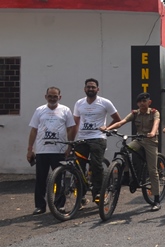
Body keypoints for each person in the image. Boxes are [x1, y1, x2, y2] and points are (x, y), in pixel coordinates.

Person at [101, 93, 162, 211]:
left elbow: (156, 123)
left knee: (152, 169)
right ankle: (126, 174)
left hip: (150, 141)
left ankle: (156, 199)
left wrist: (153, 132)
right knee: (125, 149)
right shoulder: (135, 113)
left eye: (144, 101)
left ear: (149, 102)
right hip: (138, 140)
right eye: (140, 102)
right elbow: (121, 122)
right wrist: (108, 129)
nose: (142, 103)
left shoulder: (154, 112)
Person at [71, 78, 121, 205]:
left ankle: (98, 193)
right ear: (84, 89)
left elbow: (117, 119)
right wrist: (71, 141)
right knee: (78, 167)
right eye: (88, 87)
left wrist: (107, 128)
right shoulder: (79, 103)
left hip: (98, 137)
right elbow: (75, 123)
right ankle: (80, 196)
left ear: (98, 89)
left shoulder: (105, 102)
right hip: (82, 138)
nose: (91, 89)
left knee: (96, 165)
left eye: (93, 87)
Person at [27, 87, 77, 215]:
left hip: (59, 150)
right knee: (40, 179)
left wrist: (69, 146)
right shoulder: (39, 110)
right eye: (50, 96)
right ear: (46, 97)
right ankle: (40, 206)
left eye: (55, 96)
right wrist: (30, 149)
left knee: (59, 178)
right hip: (42, 150)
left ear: (59, 97)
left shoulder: (65, 110)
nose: (52, 98)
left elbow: (71, 129)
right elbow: (33, 130)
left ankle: (59, 205)